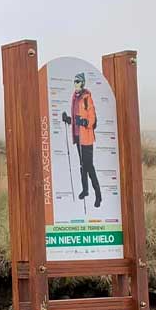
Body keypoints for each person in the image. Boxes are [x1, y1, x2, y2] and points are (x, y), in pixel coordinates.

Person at [60, 71, 101, 208]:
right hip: (78, 138)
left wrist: (83, 121)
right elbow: (75, 119)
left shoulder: (86, 98)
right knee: (82, 165)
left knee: (89, 167)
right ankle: (85, 190)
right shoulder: (74, 97)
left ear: (82, 83)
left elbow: (92, 119)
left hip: (87, 139)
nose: (75, 84)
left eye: (77, 81)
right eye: (74, 81)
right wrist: (68, 119)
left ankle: (98, 195)